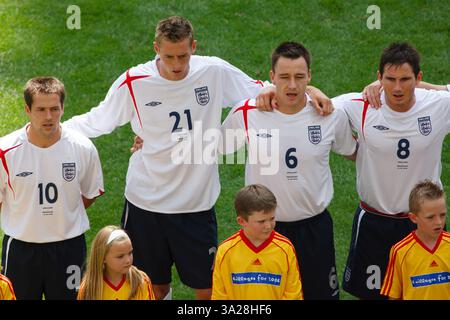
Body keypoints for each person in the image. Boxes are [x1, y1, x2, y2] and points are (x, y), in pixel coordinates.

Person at [63, 16, 331, 300]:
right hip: (146, 204)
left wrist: (312, 90)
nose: (177, 64)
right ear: (156, 48)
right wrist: (57, 130)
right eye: (168, 56)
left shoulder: (214, 71)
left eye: (183, 55)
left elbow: (279, 88)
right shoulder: (134, 82)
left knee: (207, 289)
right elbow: (97, 120)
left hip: (197, 206)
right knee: (152, 287)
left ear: (194, 46)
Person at [220, 42, 357, 299]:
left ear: (310, 77)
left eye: (299, 77)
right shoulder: (248, 113)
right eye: (284, 77)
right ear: (272, 78)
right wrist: (152, 137)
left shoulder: (329, 115)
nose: (292, 85)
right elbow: (211, 146)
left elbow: (355, 151)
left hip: (314, 229)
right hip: (265, 231)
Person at [330, 42, 450, 299]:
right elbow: (316, 104)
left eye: (405, 79)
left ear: (418, 78)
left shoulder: (440, 105)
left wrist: (433, 88)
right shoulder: (358, 105)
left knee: (429, 293)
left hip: (424, 223)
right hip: (375, 221)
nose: (397, 88)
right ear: (378, 78)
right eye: (390, 79)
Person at [0, 77, 104, 300]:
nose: (49, 117)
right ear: (27, 109)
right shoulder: (5, 151)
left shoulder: (82, 148)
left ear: (63, 108)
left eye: (54, 109)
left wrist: (63, 215)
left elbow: (89, 194)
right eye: (41, 109)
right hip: (21, 250)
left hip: (69, 248)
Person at [211, 184, 303, 300]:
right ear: (242, 221)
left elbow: (293, 294)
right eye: (261, 221)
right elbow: (219, 295)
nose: (268, 225)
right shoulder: (226, 251)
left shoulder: (285, 248)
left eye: (272, 218)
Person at [381, 180, 450, 300]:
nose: (439, 222)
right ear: (413, 218)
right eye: (430, 217)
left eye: (442, 215)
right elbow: (393, 295)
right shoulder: (400, 251)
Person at [77, 225, 155, 300]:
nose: (128, 260)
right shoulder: (88, 287)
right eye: (120, 256)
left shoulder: (141, 281)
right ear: (103, 257)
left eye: (130, 253)